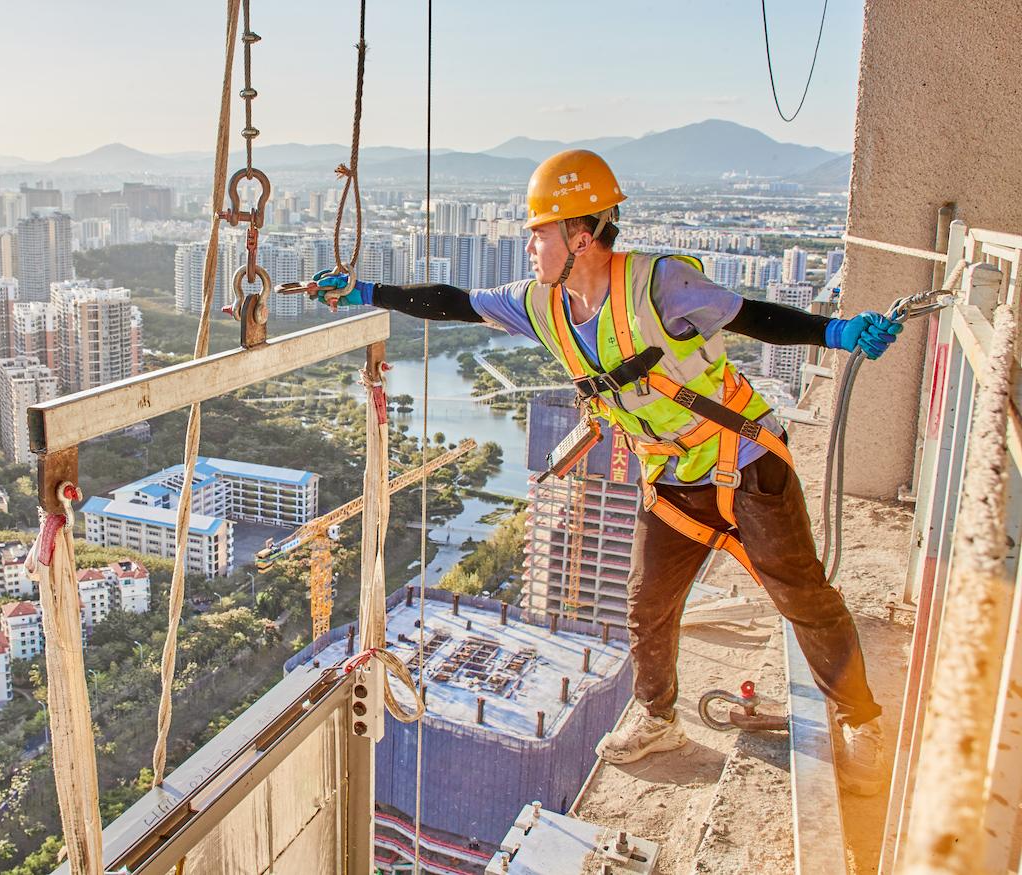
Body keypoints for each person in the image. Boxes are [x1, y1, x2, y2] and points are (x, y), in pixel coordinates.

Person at [304, 150, 901, 796]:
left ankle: (860, 718)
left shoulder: (658, 283)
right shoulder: (544, 305)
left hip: (743, 457)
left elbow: (750, 314)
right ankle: (658, 718)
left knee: (800, 593)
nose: (528, 244)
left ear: (580, 236)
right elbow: (454, 302)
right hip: (673, 477)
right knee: (647, 603)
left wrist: (835, 333)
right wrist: (366, 292)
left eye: (539, 231)